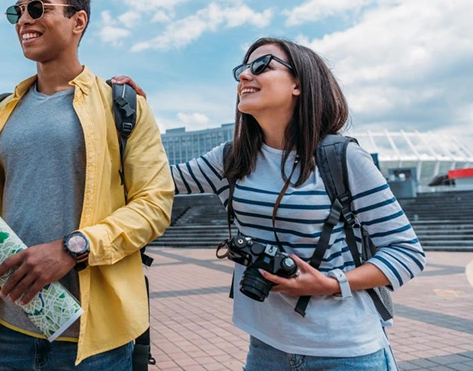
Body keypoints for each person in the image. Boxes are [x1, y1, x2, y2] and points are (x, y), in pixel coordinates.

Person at [114, 37, 425, 370]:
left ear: (299, 85)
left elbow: (406, 251)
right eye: (242, 69)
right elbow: (154, 178)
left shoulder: (342, 158)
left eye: (261, 66)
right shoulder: (232, 159)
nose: (245, 76)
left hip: (345, 349)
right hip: (266, 347)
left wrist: (332, 283)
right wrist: (137, 116)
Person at [0, 0, 174, 370]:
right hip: (6, 336)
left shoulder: (122, 104)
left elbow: (155, 205)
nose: (23, 21)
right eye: (16, 12)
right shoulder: (1, 111)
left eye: (37, 8)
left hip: (94, 343)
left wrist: (74, 248)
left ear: (77, 20)